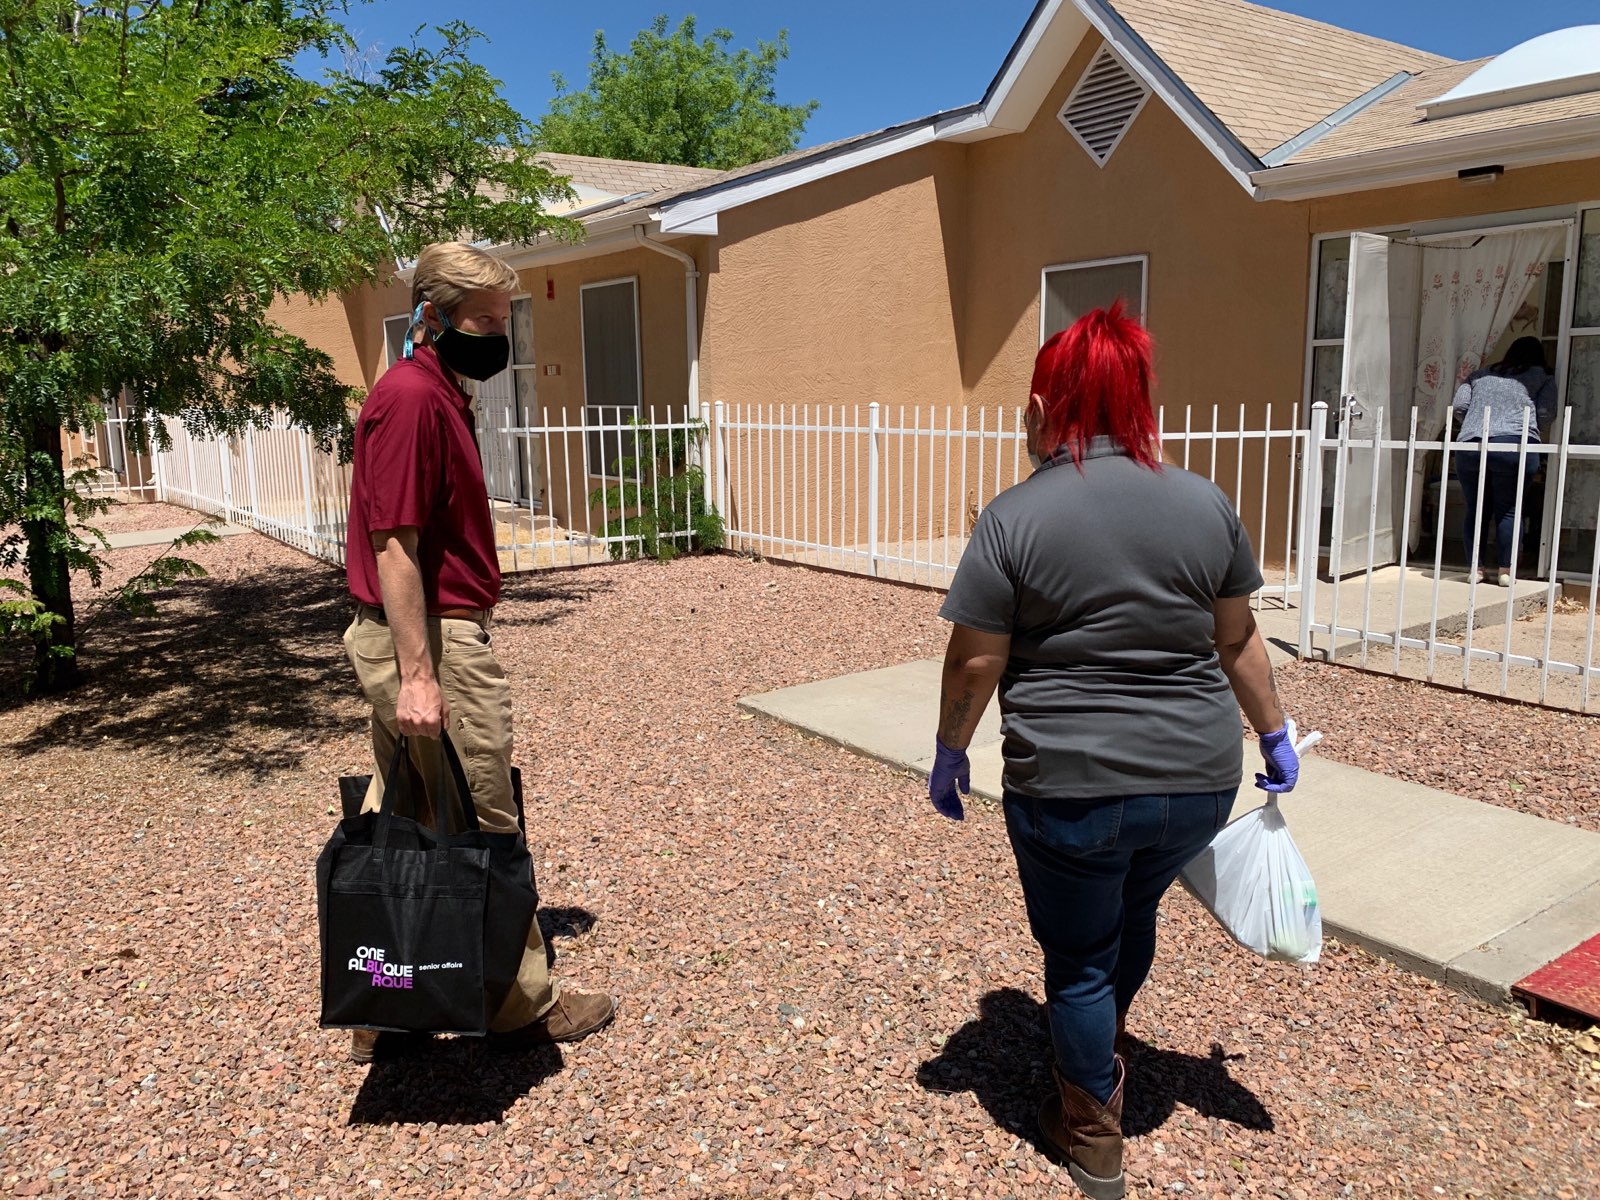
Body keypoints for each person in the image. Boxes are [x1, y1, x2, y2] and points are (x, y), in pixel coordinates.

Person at [927, 305, 1299, 1200]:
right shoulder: (1205, 502)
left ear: (1048, 404)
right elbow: (1239, 639)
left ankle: (1091, 1125)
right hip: (1197, 782)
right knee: (1135, 909)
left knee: (1078, 955)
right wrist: (1273, 733)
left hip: (1071, 787)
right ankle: (1106, 1035)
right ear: (1139, 402)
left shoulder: (1015, 517)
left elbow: (978, 654)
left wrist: (950, 749)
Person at [342, 241, 615, 1063]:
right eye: (486, 320)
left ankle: (382, 998)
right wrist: (421, 676)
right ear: (432, 316)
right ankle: (520, 1006)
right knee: (482, 817)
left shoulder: (438, 393)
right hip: (430, 640)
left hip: (427, 635)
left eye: (506, 319)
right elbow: (395, 546)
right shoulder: (413, 400)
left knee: (410, 813)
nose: (500, 335)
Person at [1451, 336, 1556, 586]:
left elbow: (1459, 406)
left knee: (1476, 510)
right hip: (1514, 444)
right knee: (1509, 509)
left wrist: (1473, 424)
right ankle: (1505, 572)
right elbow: (1545, 412)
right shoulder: (1543, 376)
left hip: (1472, 444)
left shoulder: (1480, 375)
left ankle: (1475, 570)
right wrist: (1530, 429)